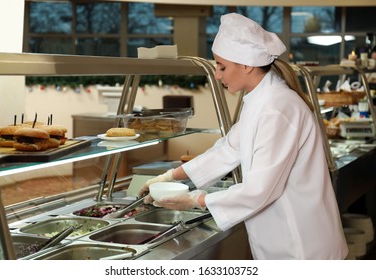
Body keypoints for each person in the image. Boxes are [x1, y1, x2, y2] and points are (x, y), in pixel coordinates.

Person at [139, 13, 348, 260]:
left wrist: (197, 199)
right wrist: (170, 176)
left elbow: (259, 190)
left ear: (247, 65)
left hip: (301, 245)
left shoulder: (277, 107)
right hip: (283, 240)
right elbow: (227, 149)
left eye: (222, 66)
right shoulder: (262, 100)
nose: (217, 75)